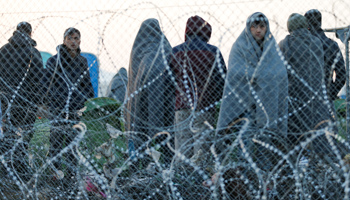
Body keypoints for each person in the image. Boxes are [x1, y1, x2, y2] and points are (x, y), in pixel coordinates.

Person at [216, 12, 288, 168]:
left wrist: (259, 75)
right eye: (254, 26)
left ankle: (264, 176)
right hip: (246, 106)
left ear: (266, 28)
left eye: (262, 26)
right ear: (249, 28)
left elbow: (280, 72)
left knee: (265, 143)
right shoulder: (239, 46)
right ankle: (245, 174)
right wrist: (261, 75)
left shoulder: (271, 47)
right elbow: (235, 72)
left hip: (267, 105)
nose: (258, 30)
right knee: (246, 144)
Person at [170, 15, 226, 164]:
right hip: (204, 107)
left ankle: (181, 182)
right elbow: (222, 81)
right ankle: (200, 182)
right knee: (201, 151)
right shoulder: (213, 52)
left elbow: (168, 81)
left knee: (183, 148)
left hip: (181, 107)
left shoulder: (175, 52)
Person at [42, 27, 95, 180]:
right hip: (58, 107)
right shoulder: (54, 60)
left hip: (75, 108)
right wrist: (54, 100)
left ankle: (71, 176)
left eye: (76, 38)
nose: (73, 41)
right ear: (64, 41)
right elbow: (46, 83)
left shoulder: (82, 61)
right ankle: (56, 174)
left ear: (80, 41)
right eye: (70, 38)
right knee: (57, 143)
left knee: (73, 143)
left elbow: (86, 84)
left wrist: (86, 101)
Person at [125, 18, 175, 167]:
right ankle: (165, 163)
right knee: (166, 136)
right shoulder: (166, 49)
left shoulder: (140, 52)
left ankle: (145, 163)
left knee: (144, 134)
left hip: (143, 107)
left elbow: (134, 83)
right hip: (167, 105)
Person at [279, 14, 332, 147]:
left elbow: (281, 70)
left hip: (295, 96)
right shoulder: (316, 42)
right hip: (316, 95)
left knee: (296, 139)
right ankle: (317, 162)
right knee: (316, 137)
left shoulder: (285, 43)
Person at [0, 21, 44, 180]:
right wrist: (39, 102)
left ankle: (6, 166)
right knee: (25, 134)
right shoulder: (33, 53)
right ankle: (19, 166)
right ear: (30, 33)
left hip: (6, 101)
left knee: (9, 133)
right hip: (27, 102)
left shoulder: (4, 51)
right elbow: (39, 80)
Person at [305, 9, 346, 102]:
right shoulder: (331, 44)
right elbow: (342, 74)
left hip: (306, 95)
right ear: (320, 22)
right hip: (326, 92)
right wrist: (331, 94)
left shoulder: (303, 45)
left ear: (306, 24)